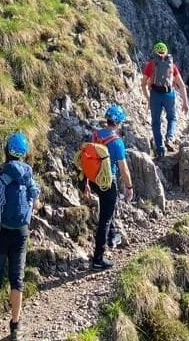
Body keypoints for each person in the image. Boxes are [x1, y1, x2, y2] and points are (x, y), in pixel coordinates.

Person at [0, 131, 40, 341]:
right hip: (21, 232)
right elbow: (35, 203)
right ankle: (15, 325)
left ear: (5, 150)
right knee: (17, 279)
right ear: (23, 154)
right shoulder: (28, 175)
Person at [82, 103, 134, 271]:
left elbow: (88, 158)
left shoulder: (96, 135)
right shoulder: (116, 142)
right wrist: (129, 187)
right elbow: (123, 169)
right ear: (119, 123)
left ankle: (112, 237)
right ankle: (98, 259)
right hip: (106, 182)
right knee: (104, 219)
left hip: (93, 179)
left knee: (108, 210)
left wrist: (86, 182)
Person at [141, 41, 189, 157]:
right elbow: (181, 85)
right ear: (166, 52)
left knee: (156, 123)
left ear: (155, 52)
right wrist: (185, 103)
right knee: (172, 118)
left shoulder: (151, 64)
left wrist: (148, 98)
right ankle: (169, 138)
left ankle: (160, 149)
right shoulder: (171, 65)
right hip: (169, 95)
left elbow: (143, 84)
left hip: (155, 95)